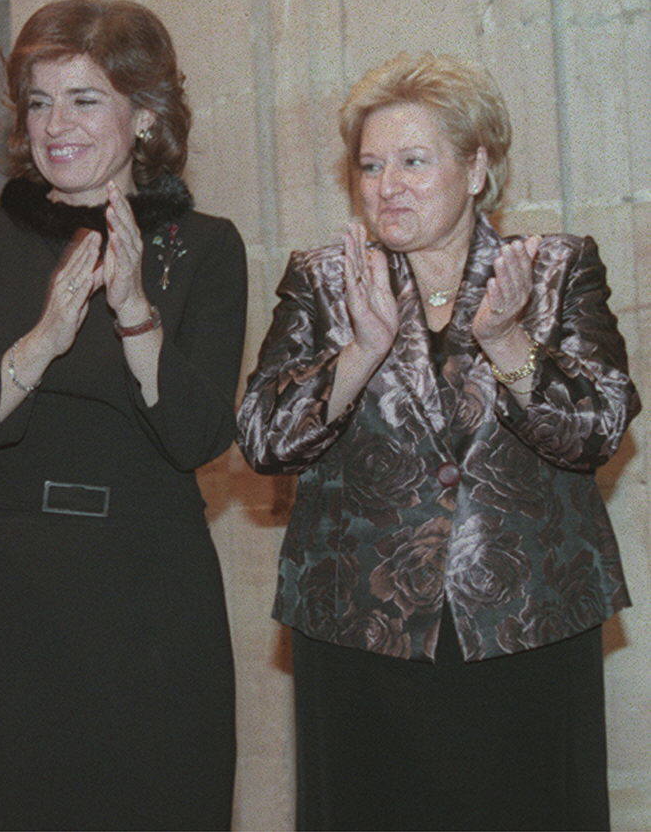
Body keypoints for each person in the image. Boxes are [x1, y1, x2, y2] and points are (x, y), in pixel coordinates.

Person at [238, 52, 639, 831]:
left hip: (524, 627)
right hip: (359, 634)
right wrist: (355, 356)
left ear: (477, 166)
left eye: (414, 161)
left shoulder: (555, 269)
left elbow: (599, 428)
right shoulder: (323, 281)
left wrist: (509, 341)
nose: (388, 186)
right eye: (370, 165)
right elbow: (260, 439)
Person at [0, 0, 246, 831]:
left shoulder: (204, 247)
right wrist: (42, 341)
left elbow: (199, 438)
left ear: (144, 116)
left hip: (151, 595)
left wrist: (135, 311)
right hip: (8, 594)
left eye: (83, 98)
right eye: (38, 101)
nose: (53, 124)